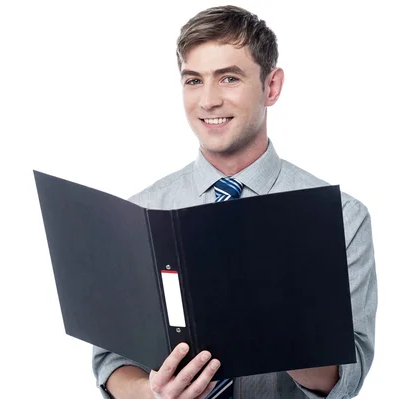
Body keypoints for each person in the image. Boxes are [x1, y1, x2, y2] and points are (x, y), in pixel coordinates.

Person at [92, 5, 377, 399]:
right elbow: (111, 357)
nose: (208, 100)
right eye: (194, 80)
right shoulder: (140, 214)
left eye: (228, 78)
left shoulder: (342, 218)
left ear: (271, 87)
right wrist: (150, 394)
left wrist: (280, 322)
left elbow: (348, 375)